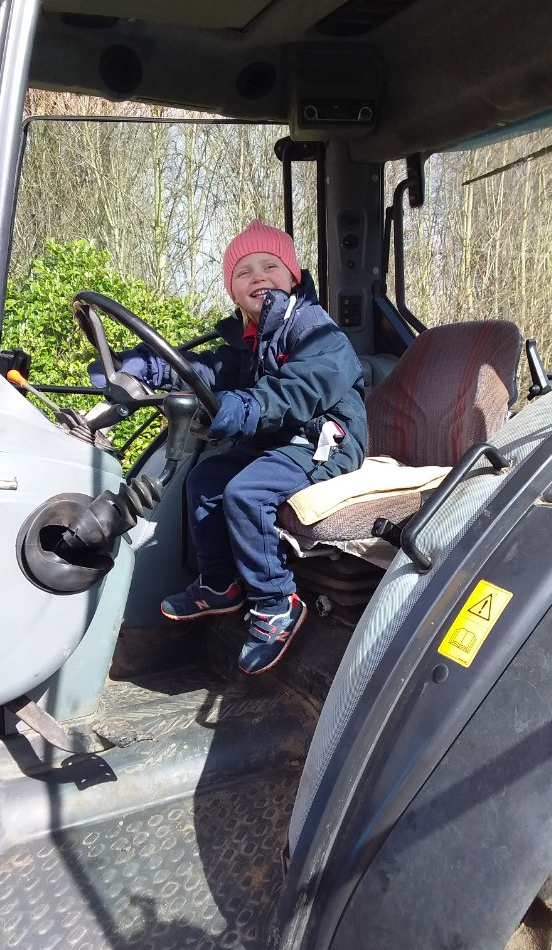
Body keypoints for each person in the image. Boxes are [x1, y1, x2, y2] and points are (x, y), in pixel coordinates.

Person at [90, 220, 367, 674]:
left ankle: (276, 602)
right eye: (243, 272)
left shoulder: (317, 331)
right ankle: (220, 584)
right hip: (284, 441)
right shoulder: (251, 339)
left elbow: (299, 389)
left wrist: (241, 408)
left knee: (247, 492)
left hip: (327, 440)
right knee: (205, 480)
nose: (257, 276)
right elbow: (204, 369)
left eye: (269, 266)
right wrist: (138, 367)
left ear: (293, 276)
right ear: (232, 292)